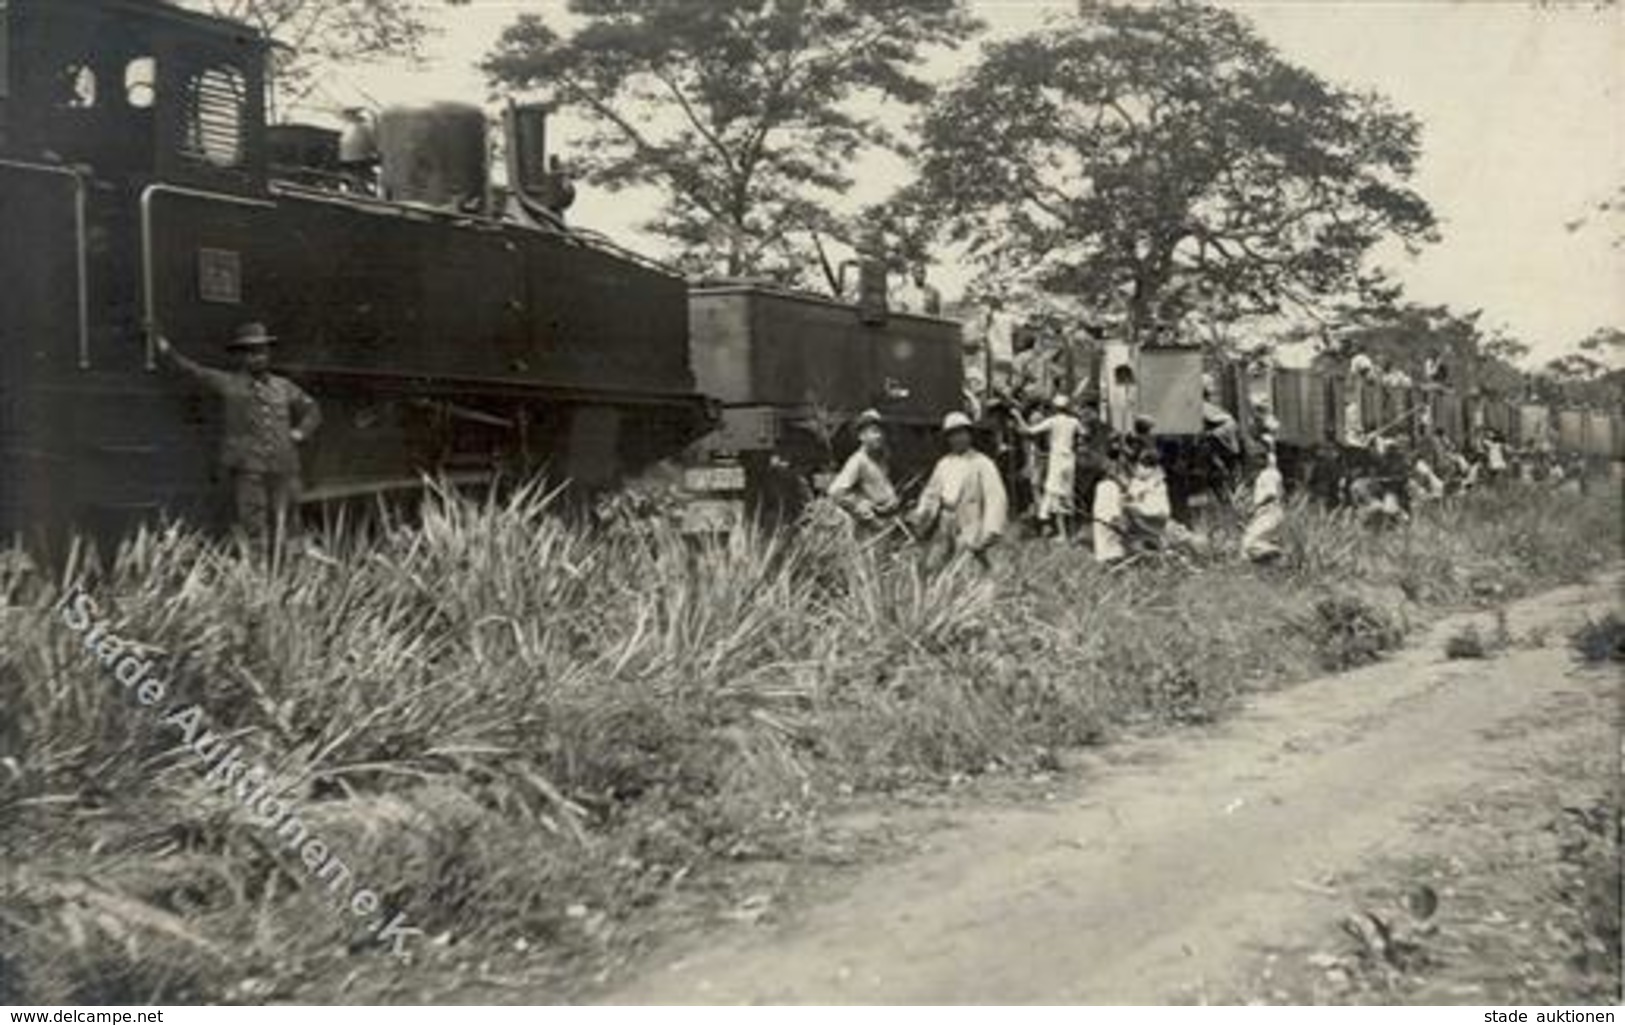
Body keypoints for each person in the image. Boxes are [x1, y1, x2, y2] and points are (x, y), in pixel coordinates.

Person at [153, 322, 321, 548]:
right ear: (241, 357)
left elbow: (312, 410)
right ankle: (258, 576)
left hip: (284, 468)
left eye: (261, 351)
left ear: (268, 354)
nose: (257, 357)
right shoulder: (228, 383)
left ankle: (289, 574)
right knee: (254, 527)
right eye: (251, 353)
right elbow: (193, 371)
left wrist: (300, 432)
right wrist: (167, 351)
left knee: (289, 526)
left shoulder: (284, 387)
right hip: (250, 469)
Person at [912, 412, 1009, 569]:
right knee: (934, 565)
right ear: (948, 439)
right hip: (945, 520)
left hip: (969, 520)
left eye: (962, 433)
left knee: (965, 565)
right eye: (953, 434)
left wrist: (991, 529)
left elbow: (995, 497)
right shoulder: (944, 463)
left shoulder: (982, 463)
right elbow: (931, 493)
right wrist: (922, 514)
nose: (959, 438)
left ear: (969, 435)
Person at [1017, 394, 1082, 539]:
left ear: (1055, 408)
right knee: (1067, 493)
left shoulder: (1052, 421)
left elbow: (1029, 431)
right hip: (1070, 458)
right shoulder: (1074, 421)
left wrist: (1017, 416)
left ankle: (1059, 531)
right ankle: (1070, 530)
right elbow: (1084, 434)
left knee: (1053, 491)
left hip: (1057, 458)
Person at [827, 408, 899, 533]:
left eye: (881, 432)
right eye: (874, 432)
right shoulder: (858, 461)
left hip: (887, 521)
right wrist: (862, 507)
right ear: (861, 436)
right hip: (869, 528)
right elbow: (835, 492)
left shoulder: (881, 458)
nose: (879, 436)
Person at [1242, 443, 1285, 564]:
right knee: (1247, 543)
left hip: (1269, 513)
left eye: (1255, 458)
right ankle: (1271, 557)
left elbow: (1271, 494)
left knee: (1249, 545)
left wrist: (1254, 506)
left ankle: (1280, 552)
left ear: (1263, 459)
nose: (1252, 461)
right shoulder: (1269, 473)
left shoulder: (1268, 474)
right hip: (1268, 513)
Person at [1123, 448, 1172, 552]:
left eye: (1138, 467)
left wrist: (1127, 498)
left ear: (1149, 469)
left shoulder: (1153, 480)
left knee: (1127, 508)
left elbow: (1133, 495)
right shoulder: (1146, 479)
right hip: (1156, 513)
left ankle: (1148, 537)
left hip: (1154, 512)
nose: (1136, 470)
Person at [1091, 443, 1129, 565]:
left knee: (1110, 523)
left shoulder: (1117, 467)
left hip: (1110, 494)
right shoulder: (1109, 469)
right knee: (1109, 521)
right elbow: (1120, 482)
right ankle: (1109, 555)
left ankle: (1110, 554)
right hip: (1109, 494)